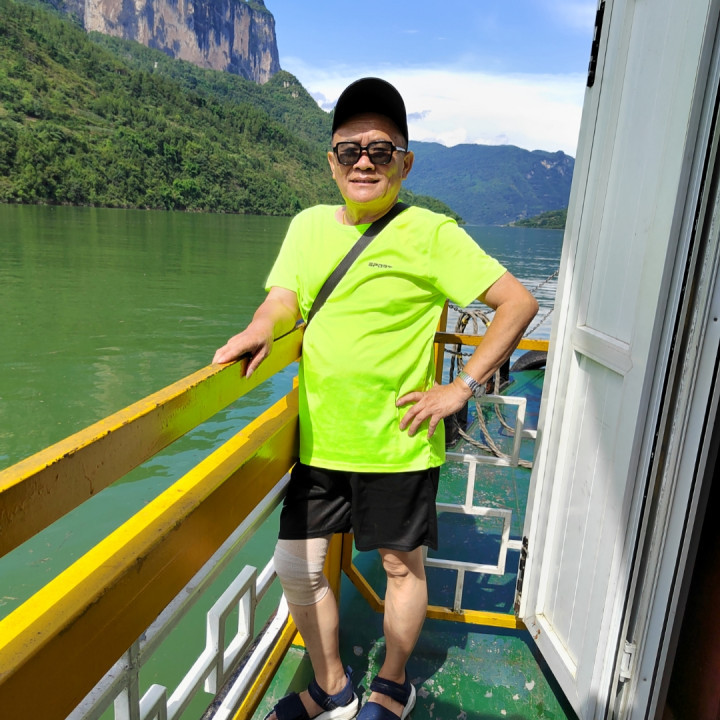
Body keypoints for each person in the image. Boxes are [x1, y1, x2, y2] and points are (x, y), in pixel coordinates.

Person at [213, 77, 539, 720]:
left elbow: (517, 303)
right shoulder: (307, 226)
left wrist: (461, 387)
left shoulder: (431, 232)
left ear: (404, 163)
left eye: (381, 150)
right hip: (322, 440)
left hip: (398, 442)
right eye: (350, 149)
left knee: (399, 567)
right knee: (297, 567)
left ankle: (392, 683)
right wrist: (260, 327)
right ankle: (332, 686)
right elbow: (284, 299)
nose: (364, 161)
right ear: (331, 160)